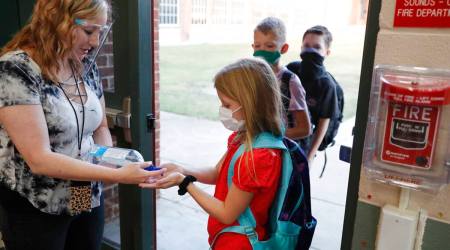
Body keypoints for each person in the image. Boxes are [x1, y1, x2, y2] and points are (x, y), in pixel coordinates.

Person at [0, 1, 164, 250]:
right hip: (36, 203)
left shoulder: (85, 66)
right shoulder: (16, 70)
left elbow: (100, 128)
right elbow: (39, 159)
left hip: (82, 191)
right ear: (57, 20)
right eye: (89, 31)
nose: (96, 41)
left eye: (101, 31)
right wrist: (117, 174)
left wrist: (111, 157)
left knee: (85, 242)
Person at [141, 58, 284, 250]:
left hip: (238, 243)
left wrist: (184, 182)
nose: (222, 110)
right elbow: (218, 173)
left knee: (86, 220)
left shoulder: (258, 156)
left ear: (250, 103)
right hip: (225, 237)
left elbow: (226, 214)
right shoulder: (244, 138)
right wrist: (182, 169)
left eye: (227, 105)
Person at [287, 25, 340, 164]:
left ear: (327, 53)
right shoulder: (292, 70)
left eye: (317, 47)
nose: (310, 50)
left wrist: (309, 157)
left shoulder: (327, 85)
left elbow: (323, 123)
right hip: (284, 134)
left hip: (303, 144)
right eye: (306, 46)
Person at [252, 17, 311, 141]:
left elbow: (305, 129)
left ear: (283, 48)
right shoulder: (252, 77)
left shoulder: (290, 82)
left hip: (279, 149)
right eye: (257, 46)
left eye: (269, 46)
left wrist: (271, 137)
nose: (262, 51)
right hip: (257, 146)